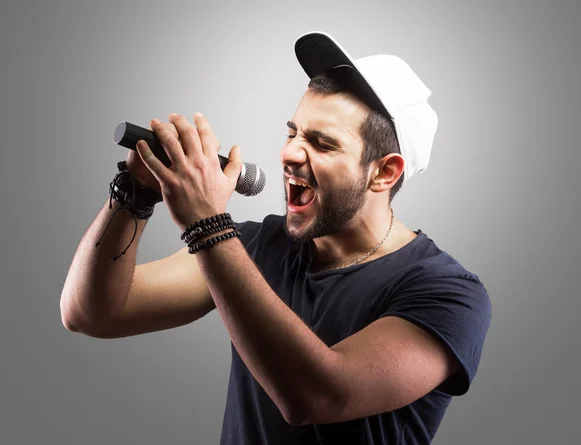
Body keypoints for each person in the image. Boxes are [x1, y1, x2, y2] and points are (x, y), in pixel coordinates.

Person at [60, 31, 491, 445]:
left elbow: (318, 395)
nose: (289, 153)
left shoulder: (447, 294)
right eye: (293, 132)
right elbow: (91, 312)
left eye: (322, 144)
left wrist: (207, 224)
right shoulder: (255, 246)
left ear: (384, 172)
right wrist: (134, 197)